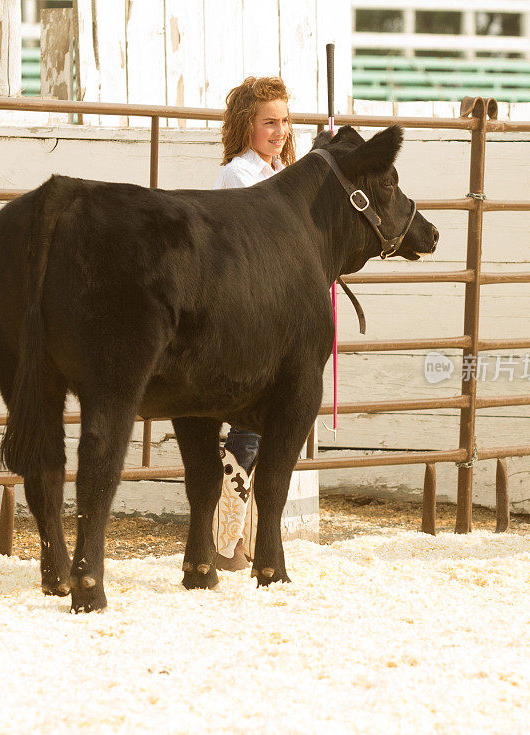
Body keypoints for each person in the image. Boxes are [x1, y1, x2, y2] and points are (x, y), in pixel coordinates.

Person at [211, 76, 296, 571]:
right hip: (247, 317)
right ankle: (225, 544)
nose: (279, 130)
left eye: (284, 122)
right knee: (248, 425)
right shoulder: (238, 177)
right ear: (247, 125)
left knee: (264, 428)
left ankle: (236, 542)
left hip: (277, 316)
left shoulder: (278, 170)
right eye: (269, 122)